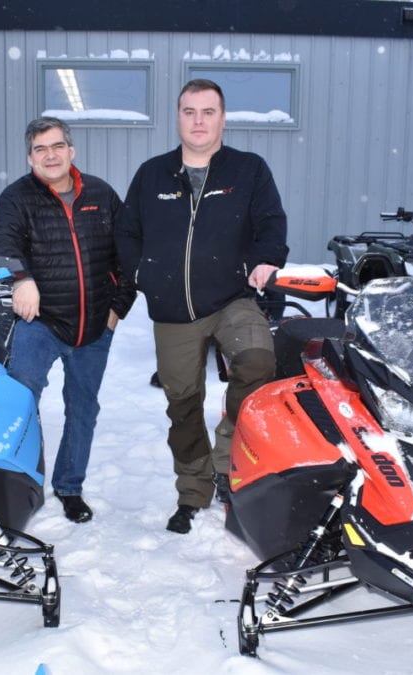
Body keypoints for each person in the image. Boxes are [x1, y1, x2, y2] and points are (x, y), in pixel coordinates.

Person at [118, 79, 289, 534]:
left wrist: (267, 259)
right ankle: (193, 491)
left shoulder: (248, 170)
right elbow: (127, 231)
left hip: (232, 295)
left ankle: (227, 453)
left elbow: (270, 221)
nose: (198, 121)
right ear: (178, 117)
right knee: (183, 404)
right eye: (189, 111)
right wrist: (142, 274)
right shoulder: (153, 173)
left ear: (223, 118)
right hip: (173, 308)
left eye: (208, 111)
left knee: (257, 361)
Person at [0, 117, 135, 523]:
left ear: (71, 151)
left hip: (94, 327)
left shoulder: (101, 194)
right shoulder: (17, 198)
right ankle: (16, 483)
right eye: (40, 149)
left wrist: (117, 309)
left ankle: (70, 487)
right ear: (29, 157)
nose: (50, 155)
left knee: (83, 408)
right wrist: (21, 278)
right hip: (40, 325)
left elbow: (128, 255)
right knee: (18, 404)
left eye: (56, 146)